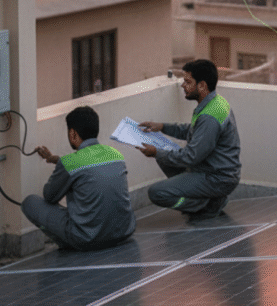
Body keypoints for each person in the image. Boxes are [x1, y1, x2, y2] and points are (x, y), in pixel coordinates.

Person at [138, 59, 241, 220]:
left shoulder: (209, 117)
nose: (182, 86)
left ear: (202, 86)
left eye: (187, 82)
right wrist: (162, 127)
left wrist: (156, 152)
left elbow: (191, 157)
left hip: (217, 178)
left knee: (157, 193)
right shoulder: (214, 103)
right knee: (164, 157)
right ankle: (210, 197)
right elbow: (191, 131)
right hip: (212, 170)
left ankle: (206, 205)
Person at [22, 106, 136, 251]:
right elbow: (88, 165)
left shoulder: (69, 163)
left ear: (72, 134)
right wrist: (56, 160)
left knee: (30, 202)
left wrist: (61, 168)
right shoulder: (115, 154)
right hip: (123, 232)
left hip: (88, 238)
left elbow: (50, 196)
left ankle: (68, 244)